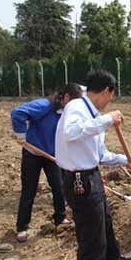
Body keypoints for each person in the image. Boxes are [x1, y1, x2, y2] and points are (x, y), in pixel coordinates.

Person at [55, 70, 131, 260]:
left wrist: (126, 161)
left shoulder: (94, 116)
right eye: (111, 98)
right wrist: (107, 119)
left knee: (104, 223)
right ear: (107, 91)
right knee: (92, 238)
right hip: (79, 181)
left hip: (92, 176)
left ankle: (113, 258)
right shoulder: (76, 107)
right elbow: (71, 132)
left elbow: (100, 155)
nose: (109, 103)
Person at [11, 83, 83, 243]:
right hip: (32, 153)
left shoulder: (69, 113)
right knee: (29, 190)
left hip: (52, 155)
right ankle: (22, 227)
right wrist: (21, 134)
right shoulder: (44, 105)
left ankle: (60, 218)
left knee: (58, 186)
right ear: (65, 97)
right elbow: (17, 112)